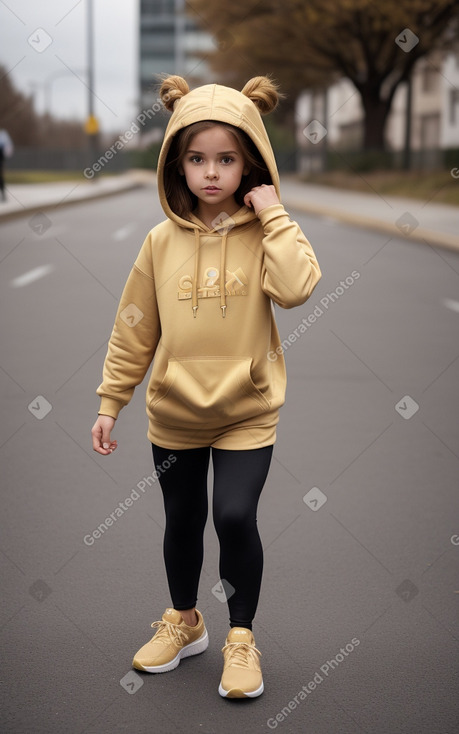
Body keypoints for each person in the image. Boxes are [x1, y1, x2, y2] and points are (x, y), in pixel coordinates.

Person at [91, 75, 322, 699]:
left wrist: (273, 213)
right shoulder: (160, 242)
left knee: (234, 515)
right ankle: (185, 622)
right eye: (197, 159)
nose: (211, 173)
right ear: (177, 163)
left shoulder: (264, 233)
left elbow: (299, 288)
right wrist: (112, 401)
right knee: (182, 520)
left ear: (250, 162)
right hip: (176, 413)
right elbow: (133, 327)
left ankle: (240, 638)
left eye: (226, 159)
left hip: (247, 409)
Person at [0, 129, 14, 202]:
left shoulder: (2, 140)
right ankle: (3, 195)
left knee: (1, 179)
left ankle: (3, 195)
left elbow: (7, 152)